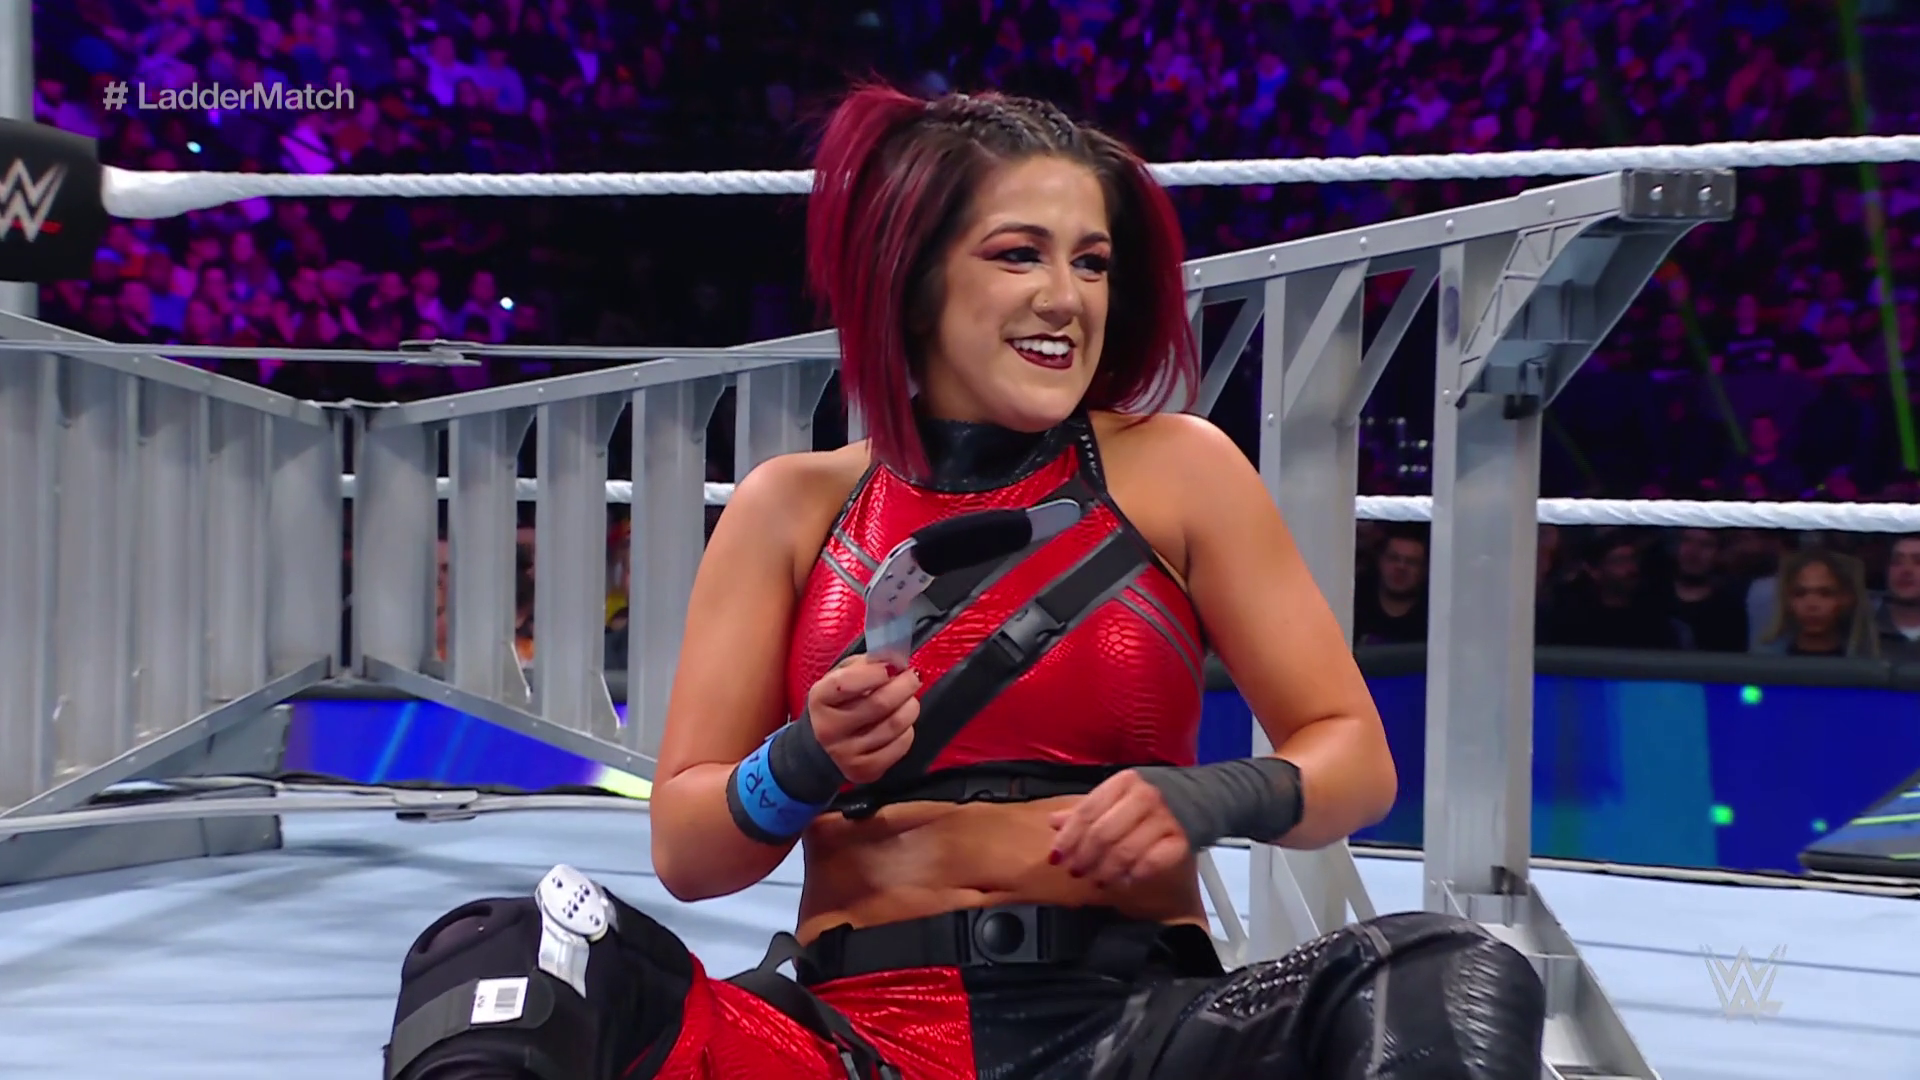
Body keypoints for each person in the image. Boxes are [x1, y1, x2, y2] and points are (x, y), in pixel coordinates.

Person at [384, 85, 1545, 1080]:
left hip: (1139, 1028)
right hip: (851, 1037)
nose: (1067, 298)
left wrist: (1209, 799)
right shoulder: (791, 506)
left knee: (1441, 977)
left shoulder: (1181, 468)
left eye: (1091, 261)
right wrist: (804, 761)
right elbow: (691, 854)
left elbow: (1353, 757)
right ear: (913, 279)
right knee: (502, 956)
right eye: (1018, 254)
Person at [1753, 548, 1877, 658]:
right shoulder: (1764, 662)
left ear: (1846, 598)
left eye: (1825, 594)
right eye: (1800, 593)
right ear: (1787, 599)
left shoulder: (1866, 664)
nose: (1811, 605)